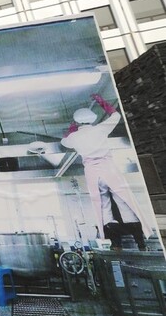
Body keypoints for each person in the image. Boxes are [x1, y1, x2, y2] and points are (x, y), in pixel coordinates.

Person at [61, 94, 149, 250]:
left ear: (78, 122)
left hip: (92, 172)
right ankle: (140, 241)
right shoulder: (100, 129)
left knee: (102, 204)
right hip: (109, 168)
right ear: (92, 119)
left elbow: (64, 140)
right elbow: (116, 115)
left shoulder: (74, 137)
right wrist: (101, 101)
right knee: (123, 199)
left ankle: (115, 243)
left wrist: (72, 128)